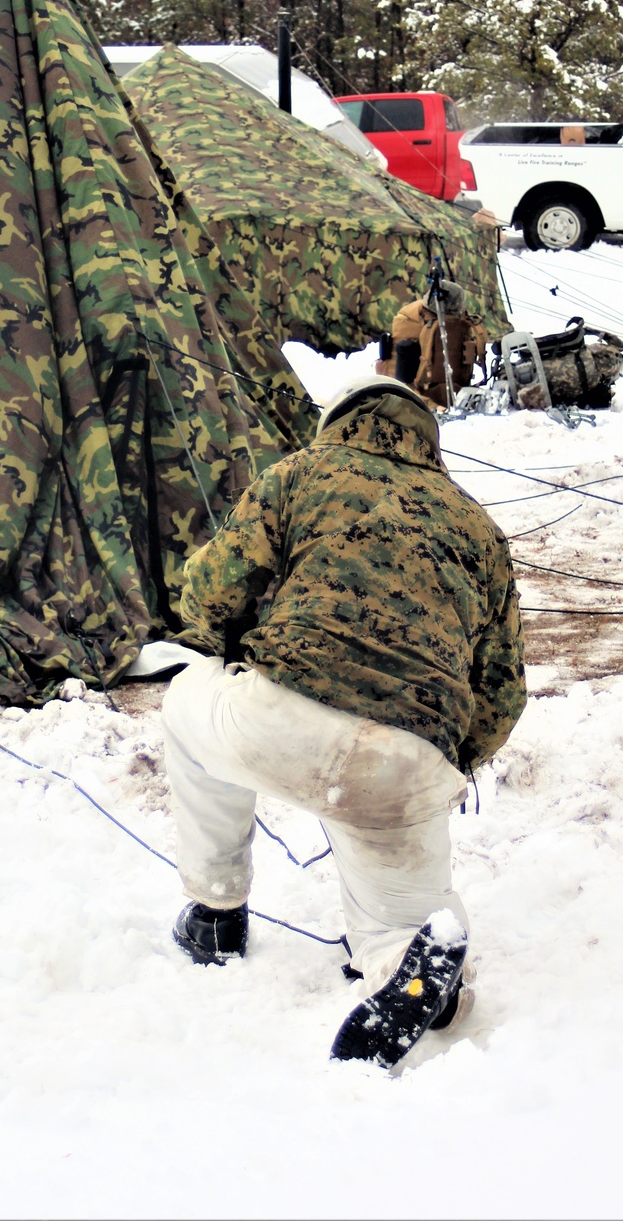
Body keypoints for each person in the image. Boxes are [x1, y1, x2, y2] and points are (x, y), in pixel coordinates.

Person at [160, 376, 525, 1068]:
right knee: (399, 925)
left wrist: (232, 644)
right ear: (428, 442)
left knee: (186, 706)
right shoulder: (479, 527)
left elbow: (211, 591)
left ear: (340, 423)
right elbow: (503, 692)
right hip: (406, 759)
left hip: (279, 718)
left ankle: (215, 914)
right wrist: (447, 763)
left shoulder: (302, 473)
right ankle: (412, 976)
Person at [376, 278, 489, 408]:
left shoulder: (408, 318)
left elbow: (392, 367)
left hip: (415, 390)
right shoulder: (460, 320)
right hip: (452, 388)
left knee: (380, 364)